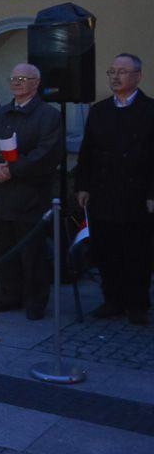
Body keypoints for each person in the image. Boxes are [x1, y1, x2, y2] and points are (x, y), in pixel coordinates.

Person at [75, 54, 154, 326]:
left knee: (138, 252)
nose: (115, 76)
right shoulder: (99, 110)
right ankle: (112, 299)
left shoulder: (150, 110)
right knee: (106, 250)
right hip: (103, 192)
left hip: (137, 195)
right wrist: (82, 185)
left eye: (122, 71)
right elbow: (87, 151)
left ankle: (137, 304)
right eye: (112, 71)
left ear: (137, 76)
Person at [0, 63, 62, 320]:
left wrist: (13, 170)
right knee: (5, 249)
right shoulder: (0, 114)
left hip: (31, 195)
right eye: (13, 78)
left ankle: (35, 300)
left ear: (36, 83)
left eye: (22, 78)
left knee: (33, 253)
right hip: (2, 195)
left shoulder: (49, 115)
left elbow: (47, 152)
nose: (16, 82)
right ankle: (9, 295)